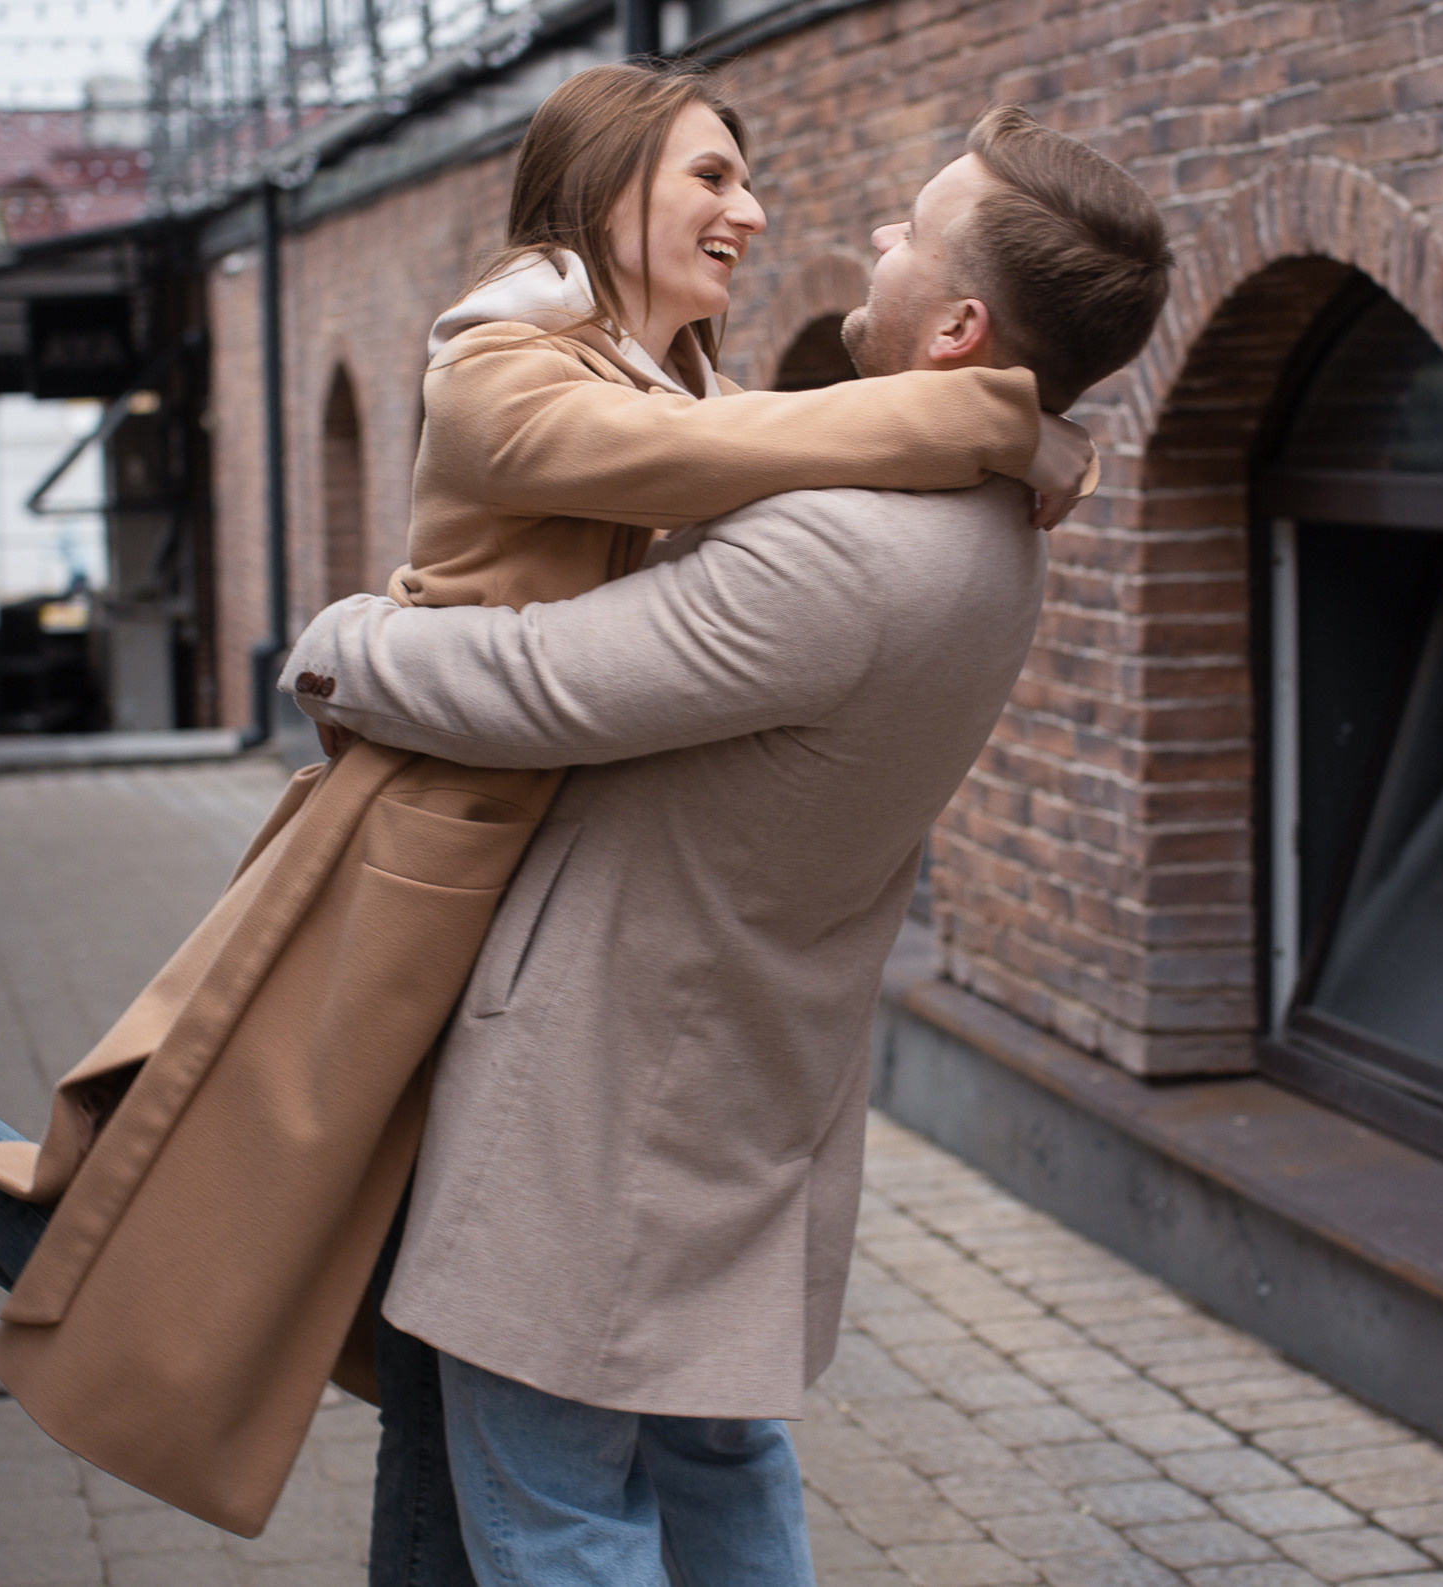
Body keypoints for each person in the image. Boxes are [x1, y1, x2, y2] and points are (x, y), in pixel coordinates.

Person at [0, 62, 1098, 1578]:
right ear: (607, 192)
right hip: (408, 875)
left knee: (411, 1330)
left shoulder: (685, 382)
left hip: (520, 916)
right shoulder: (505, 355)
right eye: (711, 178)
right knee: (193, 1239)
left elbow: (759, 454)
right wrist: (1001, 424)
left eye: (747, 177)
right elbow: (750, 465)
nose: (755, 207)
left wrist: (985, 427)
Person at [276, 103, 1173, 1584]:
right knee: (717, 1468)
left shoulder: (848, 546)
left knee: (560, 1519)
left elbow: (538, 682)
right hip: (746, 1087)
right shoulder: (983, 512)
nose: (872, 235)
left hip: (604, 1109)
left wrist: (341, 645)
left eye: (911, 229)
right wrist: (1031, 425)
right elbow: (745, 436)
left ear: (957, 324)